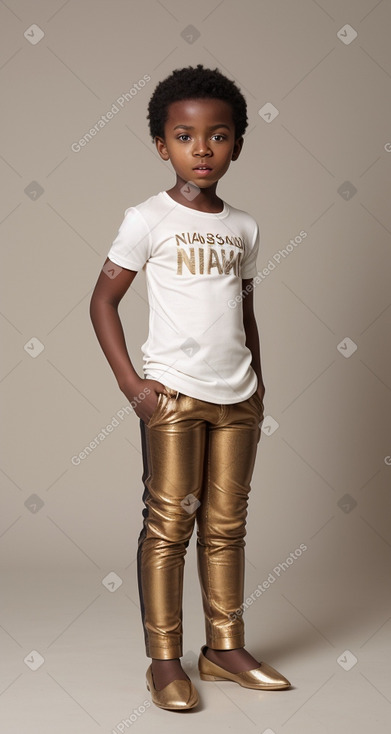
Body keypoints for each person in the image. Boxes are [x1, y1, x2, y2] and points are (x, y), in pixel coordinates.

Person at [89, 63, 291, 711]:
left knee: (227, 525)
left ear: (236, 143)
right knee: (168, 525)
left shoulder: (244, 228)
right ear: (161, 145)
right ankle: (164, 660)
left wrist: (257, 383)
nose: (201, 149)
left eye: (218, 136)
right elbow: (101, 302)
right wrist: (132, 386)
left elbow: (244, 310)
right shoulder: (146, 219)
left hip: (238, 400)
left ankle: (224, 649)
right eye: (184, 136)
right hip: (171, 396)